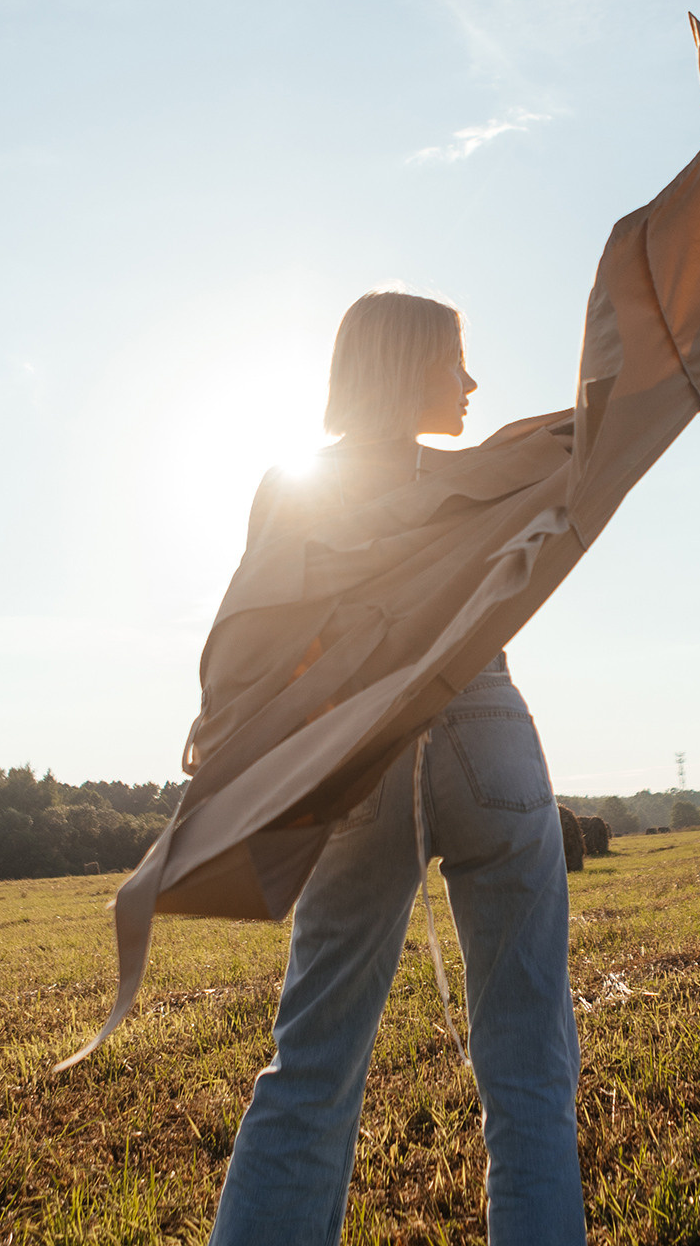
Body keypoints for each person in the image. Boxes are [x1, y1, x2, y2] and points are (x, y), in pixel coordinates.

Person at [206, 290, 585, 1246]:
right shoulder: (484, 474)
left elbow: (248, 645)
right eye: (452, 360)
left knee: (313, 1066)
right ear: (401, 366)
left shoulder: (291, 489)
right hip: (486, 735)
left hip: (360, 749)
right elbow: (616, 419)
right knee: (529, 1065)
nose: (470, 382)